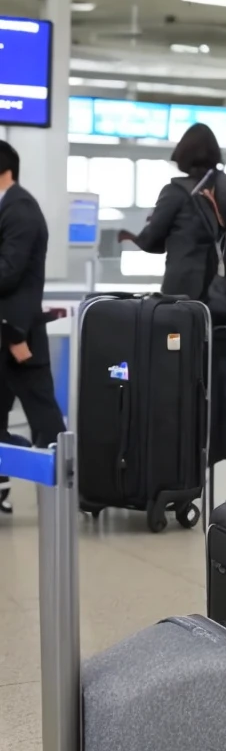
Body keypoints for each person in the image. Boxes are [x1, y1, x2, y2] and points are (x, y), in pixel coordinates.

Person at [119, 123, 226, 464]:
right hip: (218, 299)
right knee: (218, 371)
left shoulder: (175, 192)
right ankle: (215, 447)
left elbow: (151, 240)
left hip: (180, 301)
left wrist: (133, 235)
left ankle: (177, 449)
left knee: (176, 373)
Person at [0, 141, 67, 512]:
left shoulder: (20, 209)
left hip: (18, 334)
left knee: (44, 418)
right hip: (6, 331)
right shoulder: (8, 207)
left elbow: (11, 274)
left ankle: (70, 485)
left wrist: (14, 333)